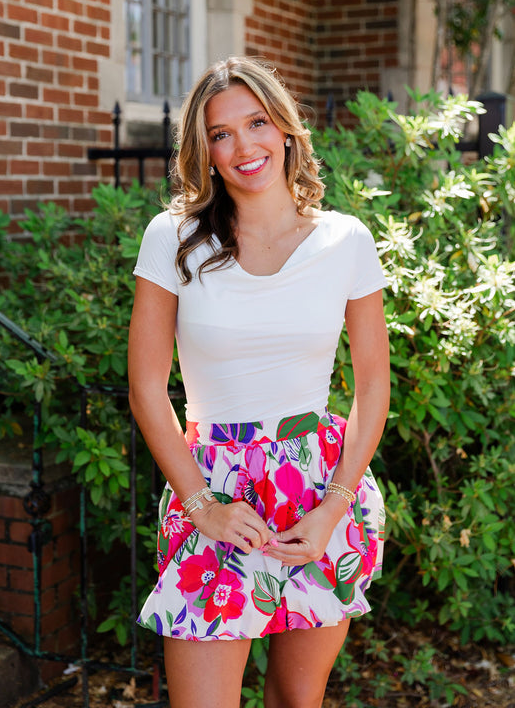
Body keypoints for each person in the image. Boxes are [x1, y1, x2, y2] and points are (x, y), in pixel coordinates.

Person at [128, 56, 390, 708]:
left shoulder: (346, 240)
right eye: (221, 133)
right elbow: (146, 388)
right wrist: (201, 506)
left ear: (285, 129)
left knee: (296, 699)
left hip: (317, 490)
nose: (244, 146)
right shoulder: (174, 238)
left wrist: (333, 507)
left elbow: (372, 387)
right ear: (206, 152)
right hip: (211, 489)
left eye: (256, 123)